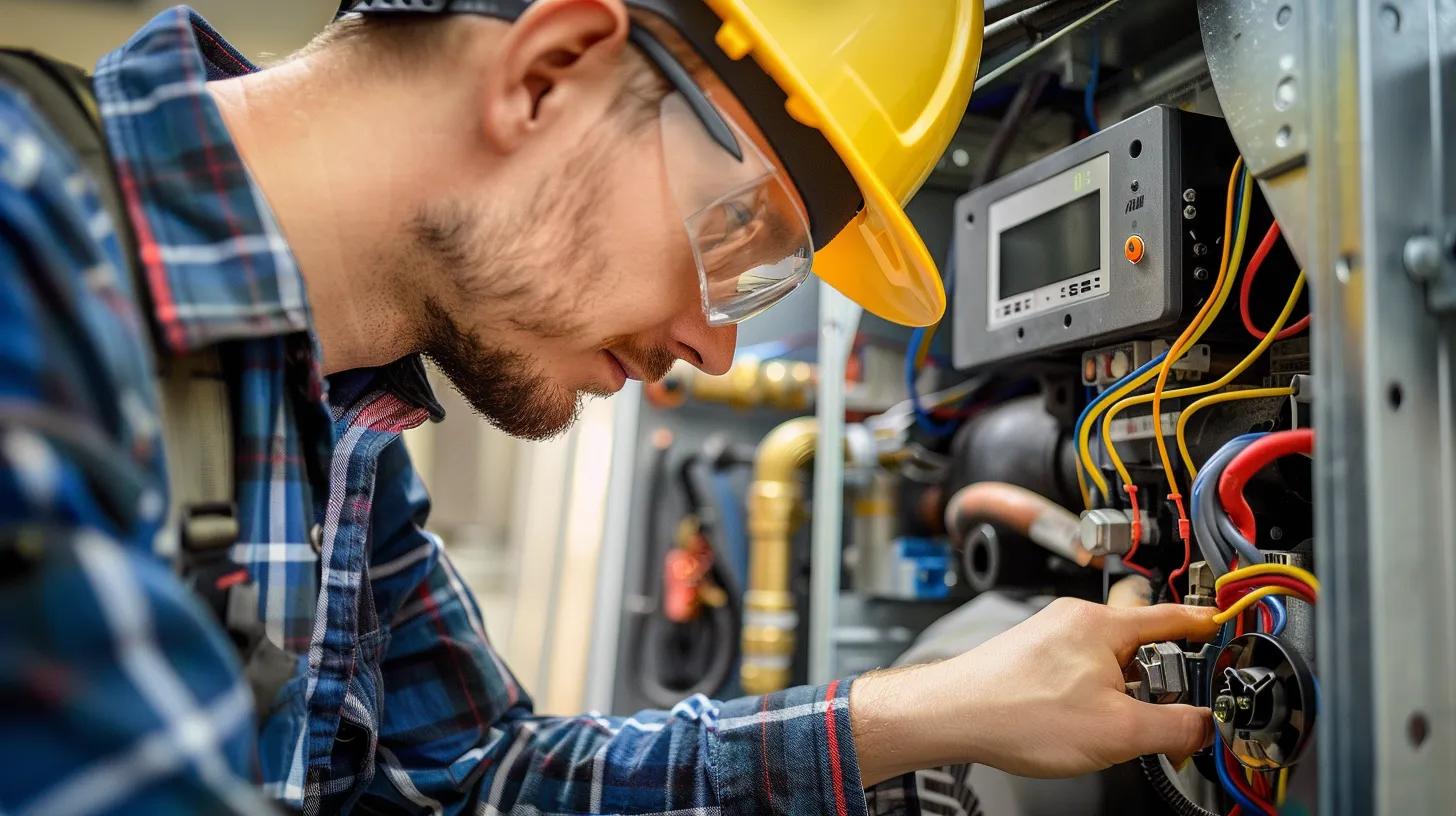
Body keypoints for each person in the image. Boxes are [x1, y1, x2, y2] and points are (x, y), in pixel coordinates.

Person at [0, 1, 1217, 813]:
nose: (712, 339)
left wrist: (927, 711)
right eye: (743, 234)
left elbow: (489, 781)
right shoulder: (25, 250)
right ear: (549, 72)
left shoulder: (337, 432)